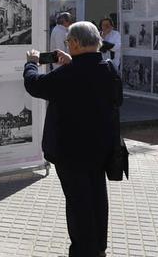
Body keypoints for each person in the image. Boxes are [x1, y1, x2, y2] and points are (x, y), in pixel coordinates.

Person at [23, 22, 122, 257]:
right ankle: (99, 247)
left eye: (69, 42)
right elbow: (116, 100)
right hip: (101, 149)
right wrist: (72, 60)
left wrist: (31, 63)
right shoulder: (109, 69)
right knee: (97, 197)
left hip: (71, 152)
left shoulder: (66, 74)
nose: (68, 45)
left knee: (78, 203)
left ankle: (83, 250)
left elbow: (34, 84)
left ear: (75, 43)